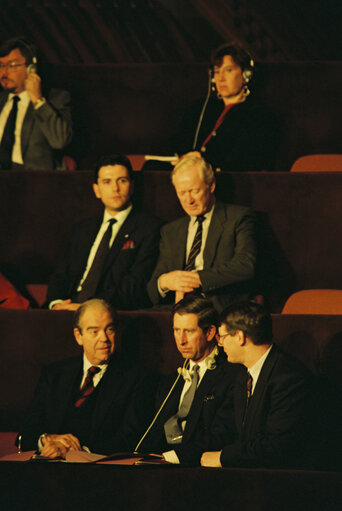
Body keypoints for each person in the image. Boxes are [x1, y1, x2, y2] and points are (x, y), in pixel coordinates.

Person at [16, 299, 156, 458]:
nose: (104, 338)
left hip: (98, 472)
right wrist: (46, 440)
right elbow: (26, 433)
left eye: (109, 330)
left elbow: (130, 438)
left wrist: (78, 451)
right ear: (78, 336)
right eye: (94, 331)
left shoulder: (138, 378)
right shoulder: (55, 374)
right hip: (48, 465)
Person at [201, 301, 318, 469]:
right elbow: (228, 428)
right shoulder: (242, 374)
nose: (220, 344)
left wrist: (224, 457)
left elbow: (277, 446)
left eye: (222, 337)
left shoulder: (289, 378)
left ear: (240, 337)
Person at [47, 154, 162, 310]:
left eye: (122, 180)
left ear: (132, 186)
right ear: (97, 190)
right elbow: (60, 274)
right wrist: (56, 304)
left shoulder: (149, 228)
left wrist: (88, 307)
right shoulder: (81, 230)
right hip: (68, 308)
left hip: (111, 310)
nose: (115, 188)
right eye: (107, 182)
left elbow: (135, 283)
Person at [137, 295, 239, 465]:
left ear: (210, 332)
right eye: (177, 330)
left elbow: (221, 434)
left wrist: (172, 458)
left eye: (189, 331)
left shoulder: (231, 375)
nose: (181, 340)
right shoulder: (171, 380)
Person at [147, 155, 257, 312]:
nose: (188, 200)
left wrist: (196, 278)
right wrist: (165, 281)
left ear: (211, 185)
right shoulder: (171, 231)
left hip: (221, 311)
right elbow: (152, 289)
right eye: (182, 193)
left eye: (194, 191)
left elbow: (246, 265)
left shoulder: (237, 218)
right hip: (179, 314)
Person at [173, 43, 277, 172]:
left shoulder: (258, 115)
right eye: (217, 72)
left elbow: (250, 159)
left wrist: (204, 159)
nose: (220, 78)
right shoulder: (200, 108)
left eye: (228, 70)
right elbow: (179, 143)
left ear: (246, 75)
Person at [0, 37, 73, 170]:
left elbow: (59, 141)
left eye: (12, 65)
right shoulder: (1, 101)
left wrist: (38, 100)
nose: (4, 72)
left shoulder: (56, 99)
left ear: (31, 69)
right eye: (1, 65)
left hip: (34, 182)